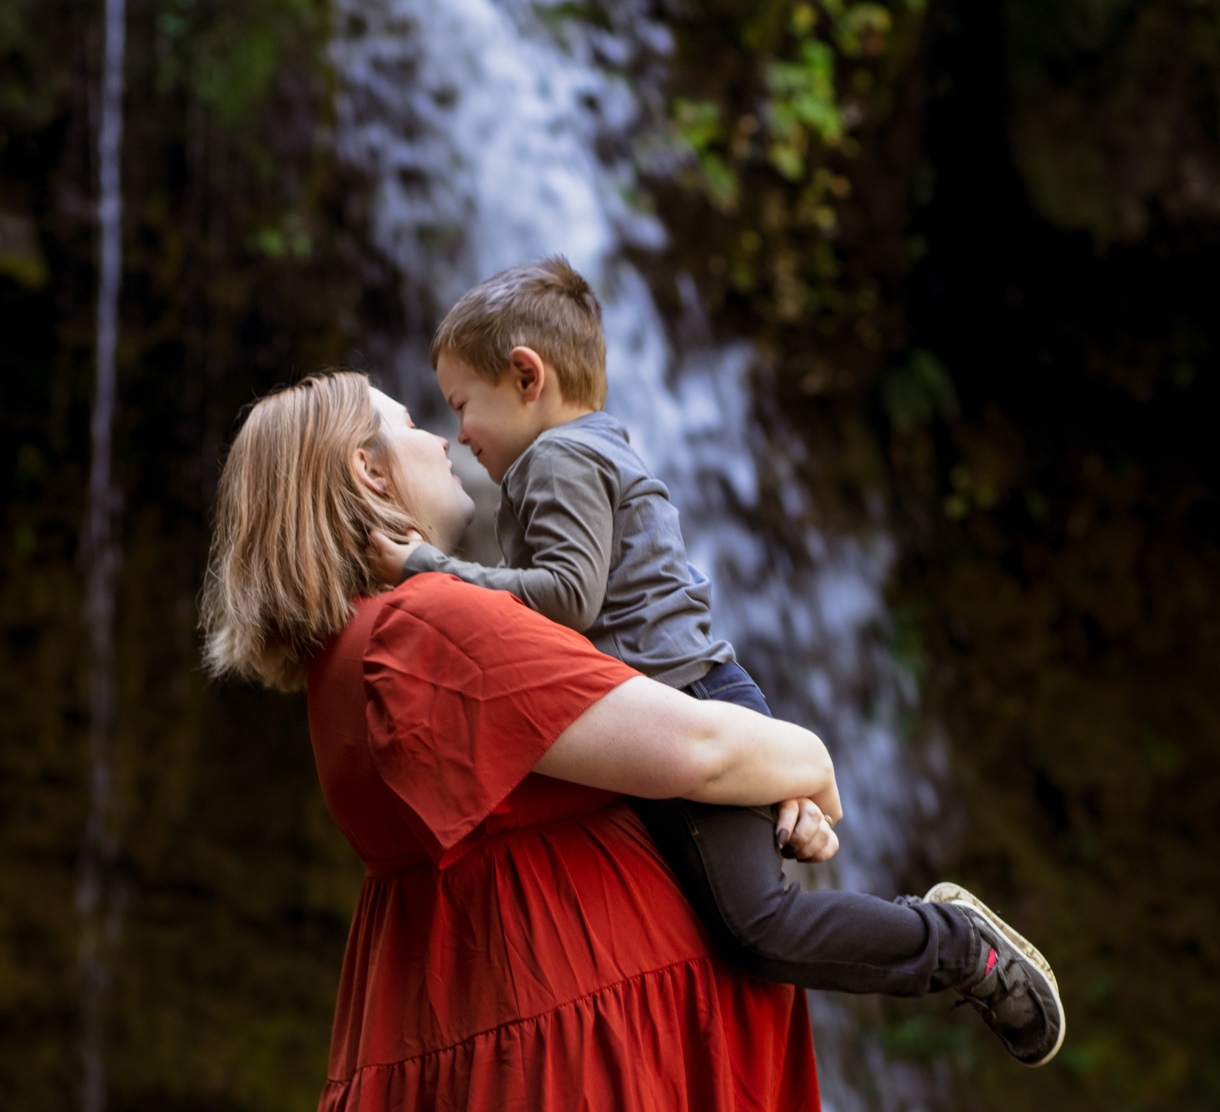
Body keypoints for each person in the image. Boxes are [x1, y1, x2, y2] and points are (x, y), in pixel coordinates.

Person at [202, 370, 853, 1112]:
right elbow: (707, 751)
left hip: (516, 1053)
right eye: (412, 425)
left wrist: (768, 781)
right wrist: (811, 761)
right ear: (368, 473)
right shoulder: (431, 624)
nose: (448, 440)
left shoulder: (355, 651)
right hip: (586, 1097)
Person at [368, 257, 1065, 1069]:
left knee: (760, 928)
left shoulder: (556, 461)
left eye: (461, 407)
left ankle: (958, 946)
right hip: (689, 701)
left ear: (527, 377)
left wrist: (426, 569)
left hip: (685, 704)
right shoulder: (589, 449)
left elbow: (566, 599)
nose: (458, 436)